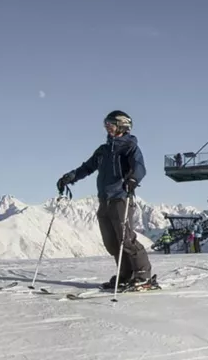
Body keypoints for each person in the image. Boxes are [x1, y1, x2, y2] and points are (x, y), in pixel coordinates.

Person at [56, 110, 153, 289]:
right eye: (106, 124)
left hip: (121, 198)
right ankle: (124, 274)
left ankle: (142, 274)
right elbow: (87, 167)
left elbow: (139, 167)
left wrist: (133, 179)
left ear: (122, 125)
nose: (107, 127)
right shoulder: (103, 150)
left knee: (126, 238)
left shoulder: (130, 147)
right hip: (104, 199)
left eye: (111, 124)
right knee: (111, 241)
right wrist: (69, 177)